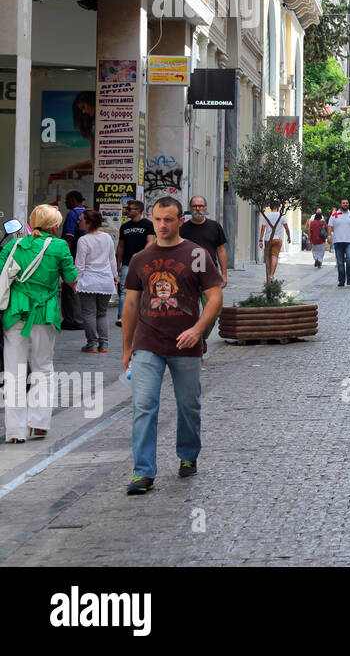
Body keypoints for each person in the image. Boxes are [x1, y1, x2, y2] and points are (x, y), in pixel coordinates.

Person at [121, 197, 223, 494]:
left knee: (188, 406)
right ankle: (143, 472)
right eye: (158, 219)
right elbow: (130, 304)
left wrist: (198, 330)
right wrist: (127, 348)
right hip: (147, 344)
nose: (162, 225)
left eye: (168, 219)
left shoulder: (197, 255)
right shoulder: (141, 258)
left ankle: (188, 456)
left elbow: (215, 298)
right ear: (152, 220)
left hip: (186, 345)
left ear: (181, 221)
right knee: (143, 406)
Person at [2, 205, 78, 443]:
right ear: (55, 226)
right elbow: (72, 279)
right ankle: (38, 425)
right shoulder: (59, 246)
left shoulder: (13, 245)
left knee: (14, 372)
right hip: (44, 312)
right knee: (43, 368)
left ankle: (15, 432)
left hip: (15, 313)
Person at [74, 209, 117, 354]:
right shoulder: (107, 237)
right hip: (105, 280)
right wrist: (115, 275)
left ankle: (92, 343)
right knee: (102, 313)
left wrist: (75, 281)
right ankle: (104, 343)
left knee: (89, 313)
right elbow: (112, 259)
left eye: (81, 219)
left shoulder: (83, 240)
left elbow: (79, 264)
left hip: (88, 281)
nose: (78, 222)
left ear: (88, 222)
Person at [115, 200, 154, 326]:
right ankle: (122, 316)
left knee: (144, 290)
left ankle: (143, 315)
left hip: (144, 263)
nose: (127, 211)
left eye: (129, 209)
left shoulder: (148, 224)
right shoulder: (125, 227)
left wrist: (140, 255)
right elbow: (121, 246)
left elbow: (150, 242)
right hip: (127, 263)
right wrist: (118, 264)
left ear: (138, 210)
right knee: (124, 290)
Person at [179, 196, 229, 288]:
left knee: (211, 302)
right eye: (194, 206)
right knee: (190, 302)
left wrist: (224, 274)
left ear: (205, 208)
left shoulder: (215, 226)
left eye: (200, 206)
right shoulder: (182, 229)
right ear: (190, 208)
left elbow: (221, 250)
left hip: (210, 274)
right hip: (188, 276)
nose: (197, 209)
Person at [60, 190, 87, 329]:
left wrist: (66, 258)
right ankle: (79, 318)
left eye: (67, 199)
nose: (65, 202)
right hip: (86, 256)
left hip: (74, 255)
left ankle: (73, 319)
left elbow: (68, 238)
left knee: (69, 288)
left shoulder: (72, 214)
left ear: (72, 199)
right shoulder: (88, 212)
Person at [327, 197, 350, 287]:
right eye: (343, 203)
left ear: (348, 205)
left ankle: (349, 278)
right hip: (338, 241)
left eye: (346, 203)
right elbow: (329, 226)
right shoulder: (335, 214)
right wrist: (329, 236)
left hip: (349, 242)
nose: (345, 204)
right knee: (340, 262)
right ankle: (341, 280)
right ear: (340, 204)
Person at [259, 208, 290, 281]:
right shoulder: (281, 216)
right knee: (275, 257)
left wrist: (260, 239)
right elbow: (286, 228)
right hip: (278, 239)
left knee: (268, 257)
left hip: (268, 239)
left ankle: (269, 275)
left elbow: (263, 228)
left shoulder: (266, 216)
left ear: (270, 207)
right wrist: (289, 237)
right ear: (278, 207)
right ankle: (271, 275)